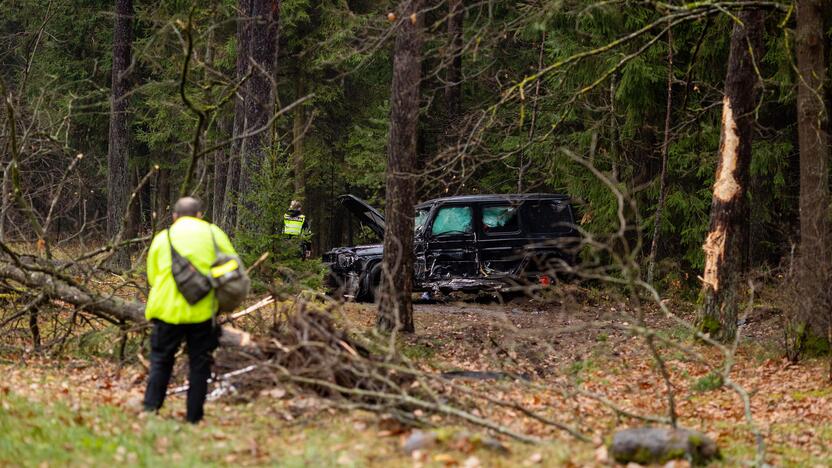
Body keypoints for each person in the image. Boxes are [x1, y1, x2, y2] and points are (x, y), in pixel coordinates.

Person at [143, 197, 237, 424]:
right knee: (200, 364)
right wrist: (209, 282)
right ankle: (194, 417)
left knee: (161, 360)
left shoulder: (162, 238)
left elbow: (153, 276)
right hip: (202, 311)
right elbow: (232, 267)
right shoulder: (214, 234)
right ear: (200, 215)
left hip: (167, 311)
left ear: (174, 216)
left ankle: (150, 409)